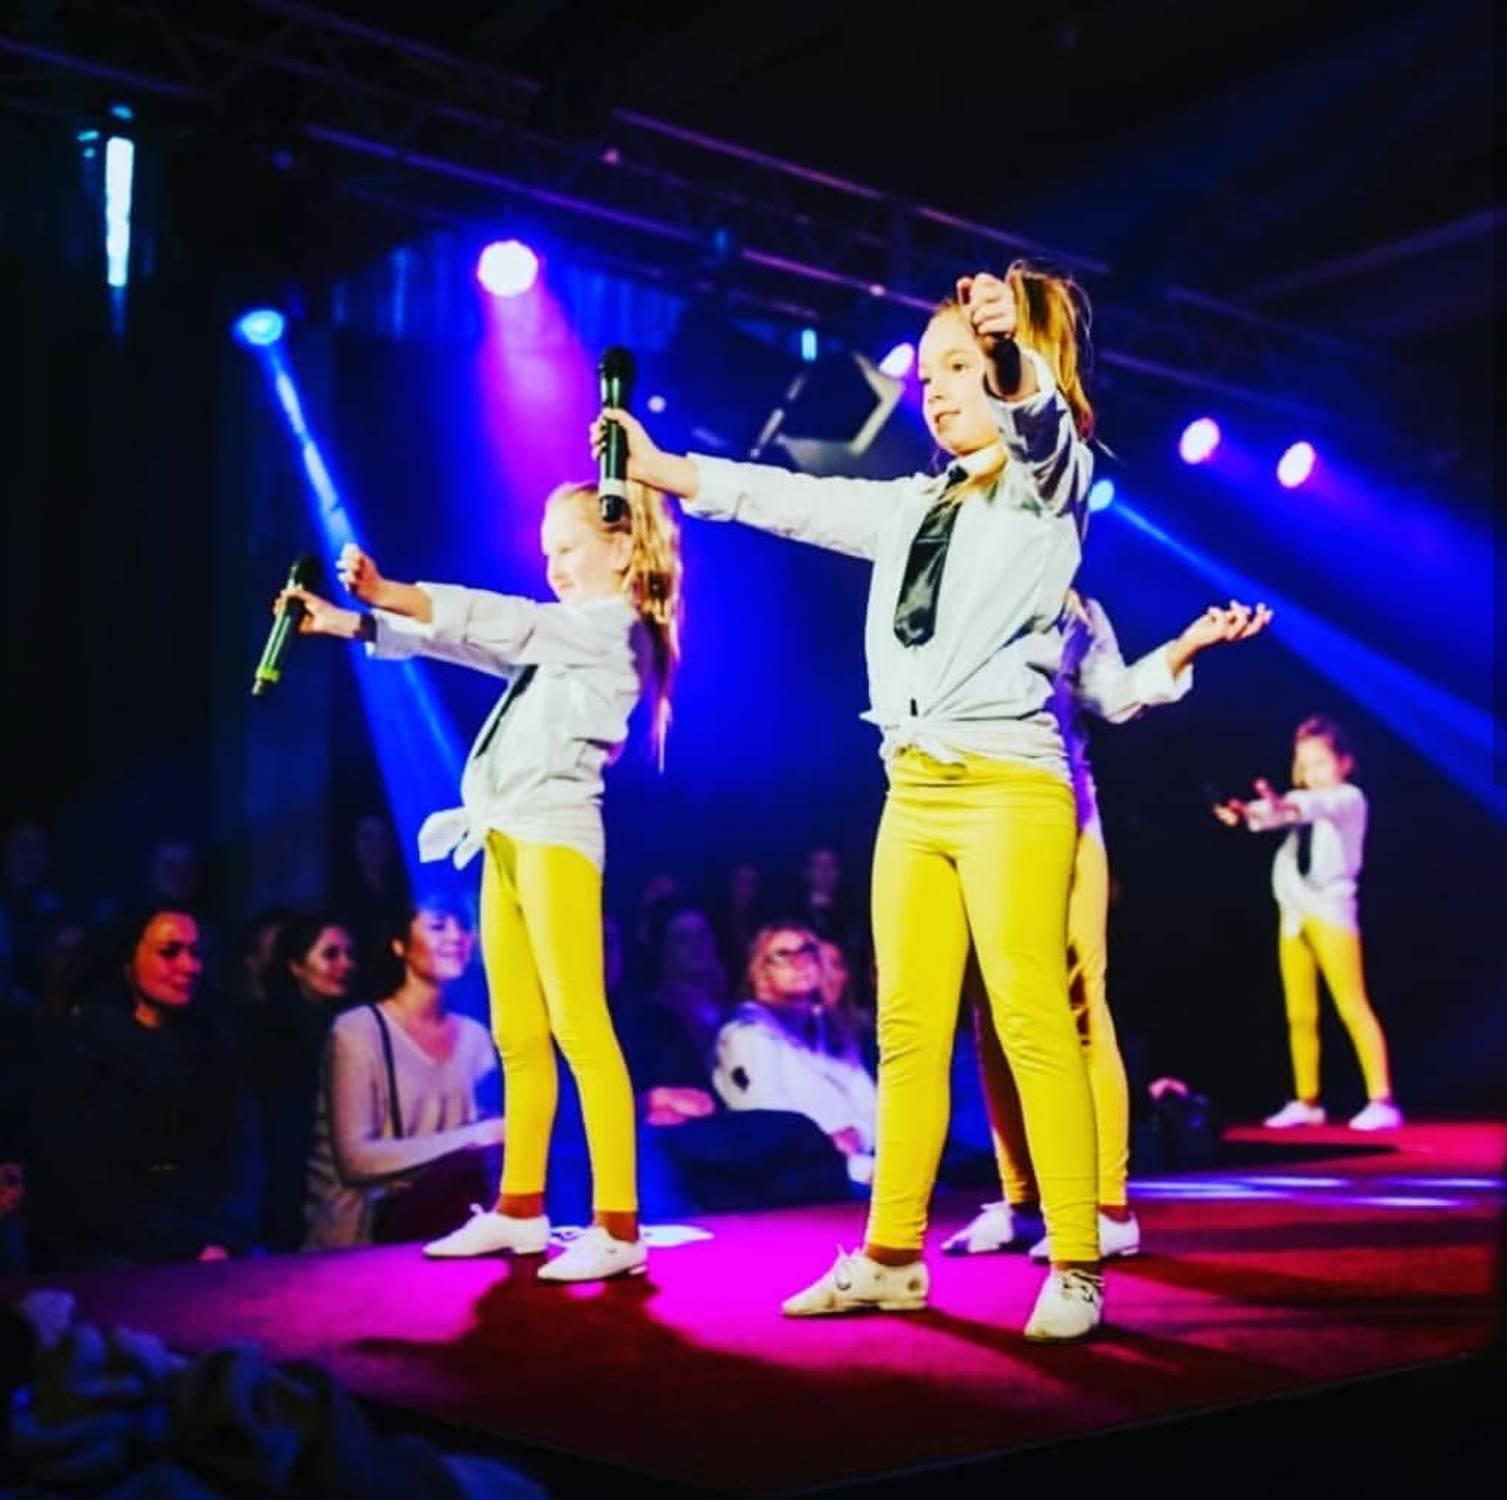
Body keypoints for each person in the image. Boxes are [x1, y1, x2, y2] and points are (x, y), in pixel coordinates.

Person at [597, 263, 1105, 1338]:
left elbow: (1043, 429)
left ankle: (1074, 1262)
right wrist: (665, 469)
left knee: (1026, 1017)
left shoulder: (1044, 488)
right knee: (907, 1029)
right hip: (911, 790)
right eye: (931, 373)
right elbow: (793, 500)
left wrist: (1009, 354)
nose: (939, 389)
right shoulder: (912, 503)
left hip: (1009, 787)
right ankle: (890, 1256)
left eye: (961, 368)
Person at [281, 475, 684, 1281]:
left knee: (579, 1028)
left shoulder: (612, 628)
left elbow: (505, 620)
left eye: (568, 548)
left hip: (555, 839)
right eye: (547, 552)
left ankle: (618, 1224)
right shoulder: (565, 639)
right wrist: (349, 622)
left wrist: (391, 591)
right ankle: (519, 1209)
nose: (554, 565)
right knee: (517, 1035)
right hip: (506, 838)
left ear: (621, 550)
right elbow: (466, 643)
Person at [945, 593, 1272, 1262]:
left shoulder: (1074, 605)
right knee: (991, 1015)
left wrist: (1187, 644)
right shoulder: (957, 579)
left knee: (1077, 1004)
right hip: (961, 811)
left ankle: (1107, 1208)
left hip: (1060, 809)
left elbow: (1113, 697)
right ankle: (1022, 1202)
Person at [27, 905, 262, 1269]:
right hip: (117, 1257)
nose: (190, 966)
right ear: (128, 959)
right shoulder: (81, 1047)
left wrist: (225, 1237)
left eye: (196, 953)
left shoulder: (215, 1045)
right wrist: (185, 1245)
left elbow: (243, 1156)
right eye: (170, 952)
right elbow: (84, 1180)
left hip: (215, 1244)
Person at [1214, 715, 1401, 1131]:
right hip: (1294, 912)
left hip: (1331, 910)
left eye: (1321, 763)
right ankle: (1307, 1099)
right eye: (1305, 764)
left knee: (1352, 1005)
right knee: (1300, 1012)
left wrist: (1286, 805)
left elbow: (1311, 806)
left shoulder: (1349, 799)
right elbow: (1279, 813)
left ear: (1344, 763)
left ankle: (1382, 1099)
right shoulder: (1301, 802)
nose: (1313, 772)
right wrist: (1245, 812)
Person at [303, 896, 502, 1249]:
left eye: (463, 926)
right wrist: (476, 1136)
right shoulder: (358, 1030)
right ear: (399, 944)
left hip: (445, 1235)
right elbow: (355, 1160)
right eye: (438, 925)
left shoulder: (476, 1036)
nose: (455, 937)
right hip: (356, 1248)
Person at [714, 924, 878, 1186]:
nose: (799, 963)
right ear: (759, 971)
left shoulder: (832, 1026)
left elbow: (872, 1107)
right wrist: (833, 1149)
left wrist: (858, 1133)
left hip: (865, 1160)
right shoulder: (745, 1033)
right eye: (782, 955)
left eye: (806, 951)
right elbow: (769, 1127)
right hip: (799, 1177)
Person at [250, 914, 358, 1251]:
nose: (345, 964)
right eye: (330, 954)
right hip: (293, 1191)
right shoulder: (272, 1033)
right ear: (296, 965)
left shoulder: (353, 1025)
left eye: (349, 954)